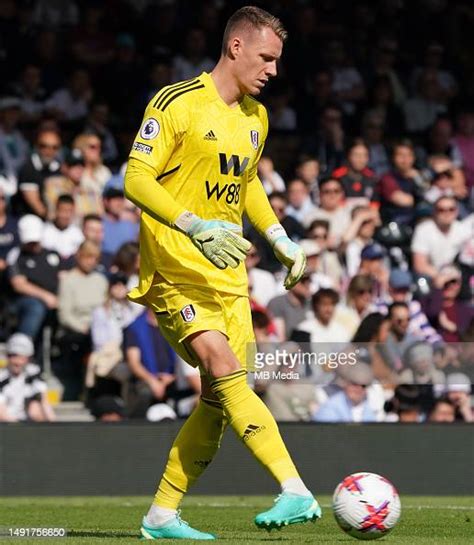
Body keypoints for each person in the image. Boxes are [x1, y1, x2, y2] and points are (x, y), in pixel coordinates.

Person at [124, 7, 318, 539]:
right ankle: (294, 488)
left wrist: (277, 236)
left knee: (217, 397)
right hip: (175, 269)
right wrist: (191, 224)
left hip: (228, 278)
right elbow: (135, 178)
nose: (273, 70)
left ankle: (161, 514)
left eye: (277, 60)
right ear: (235, 47)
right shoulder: (176, 103)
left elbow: (247, 181)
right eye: (266, 58)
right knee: (224, 366)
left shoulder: (256, 117)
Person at [0, 332, 55, 422]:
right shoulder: (1, 378)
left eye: (22, 357)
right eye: (13, 356)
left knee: (35, 407)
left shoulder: (34, 374)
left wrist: (54, 426)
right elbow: (2, 413)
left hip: (28, 425)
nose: (18, 362)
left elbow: (44, 402)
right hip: (6, 427)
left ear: (28, 358)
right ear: (7, 357)